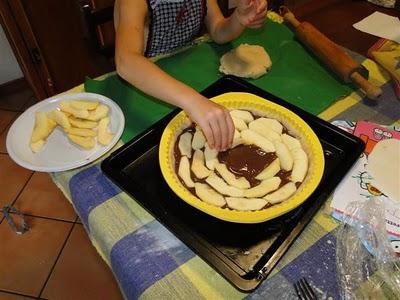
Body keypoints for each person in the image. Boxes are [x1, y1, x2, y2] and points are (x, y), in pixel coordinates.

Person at [114, 0, 268, 150]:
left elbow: (218, 31)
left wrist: (238, 19)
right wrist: (192, 101)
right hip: (146, 83)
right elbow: (125, 60)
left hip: (187, 74)